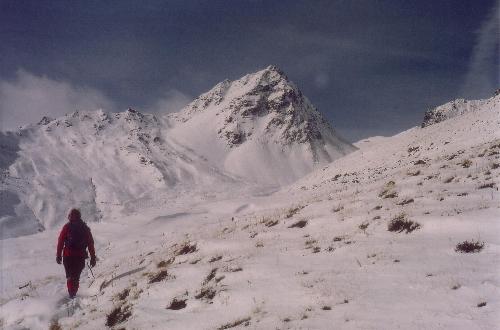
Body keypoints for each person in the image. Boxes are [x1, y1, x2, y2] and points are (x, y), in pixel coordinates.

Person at [56, 208, 97, 298]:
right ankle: (73, 293)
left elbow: (60, 241)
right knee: (76, 277)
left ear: (70, 216)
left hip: (68, 256)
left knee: (70, 276)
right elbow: (90, 243)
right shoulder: (85, 228)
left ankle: (71, 294)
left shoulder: (67, 227)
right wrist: (93, 257)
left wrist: (58, 255)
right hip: (80, 256)